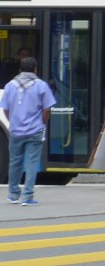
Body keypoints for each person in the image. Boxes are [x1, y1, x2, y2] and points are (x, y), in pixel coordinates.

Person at [3, 56, 56, 206]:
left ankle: (13, 195)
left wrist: (13, 121)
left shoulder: (10, 86)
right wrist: (43, 122)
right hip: (35, 130)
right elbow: (47, 108)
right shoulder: (41, 86)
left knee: (15, 162)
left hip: (16, 130)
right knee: (31, 163)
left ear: (19, 69)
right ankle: (27, 196)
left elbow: (5, 109)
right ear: (35, 69)